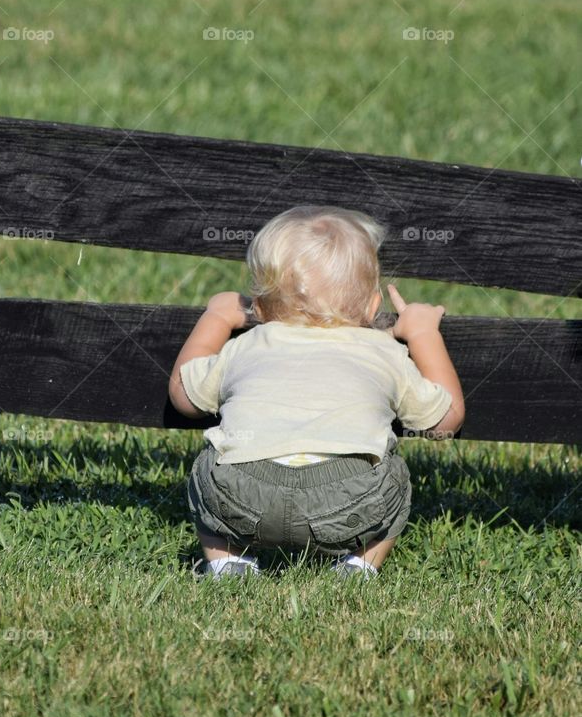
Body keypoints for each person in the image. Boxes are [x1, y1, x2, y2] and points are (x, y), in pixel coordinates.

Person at [168, 205, 465, 579]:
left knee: (207, 464)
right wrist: (423, 333)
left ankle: (227, 562)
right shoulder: (383, 349)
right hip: (348, 500)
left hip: (241, 495)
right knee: (396, 477)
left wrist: (215, 316)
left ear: (257, 306)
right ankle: (360, 566)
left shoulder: (250, 342)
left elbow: (183, 395)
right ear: (374, 306)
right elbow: (447, 418)